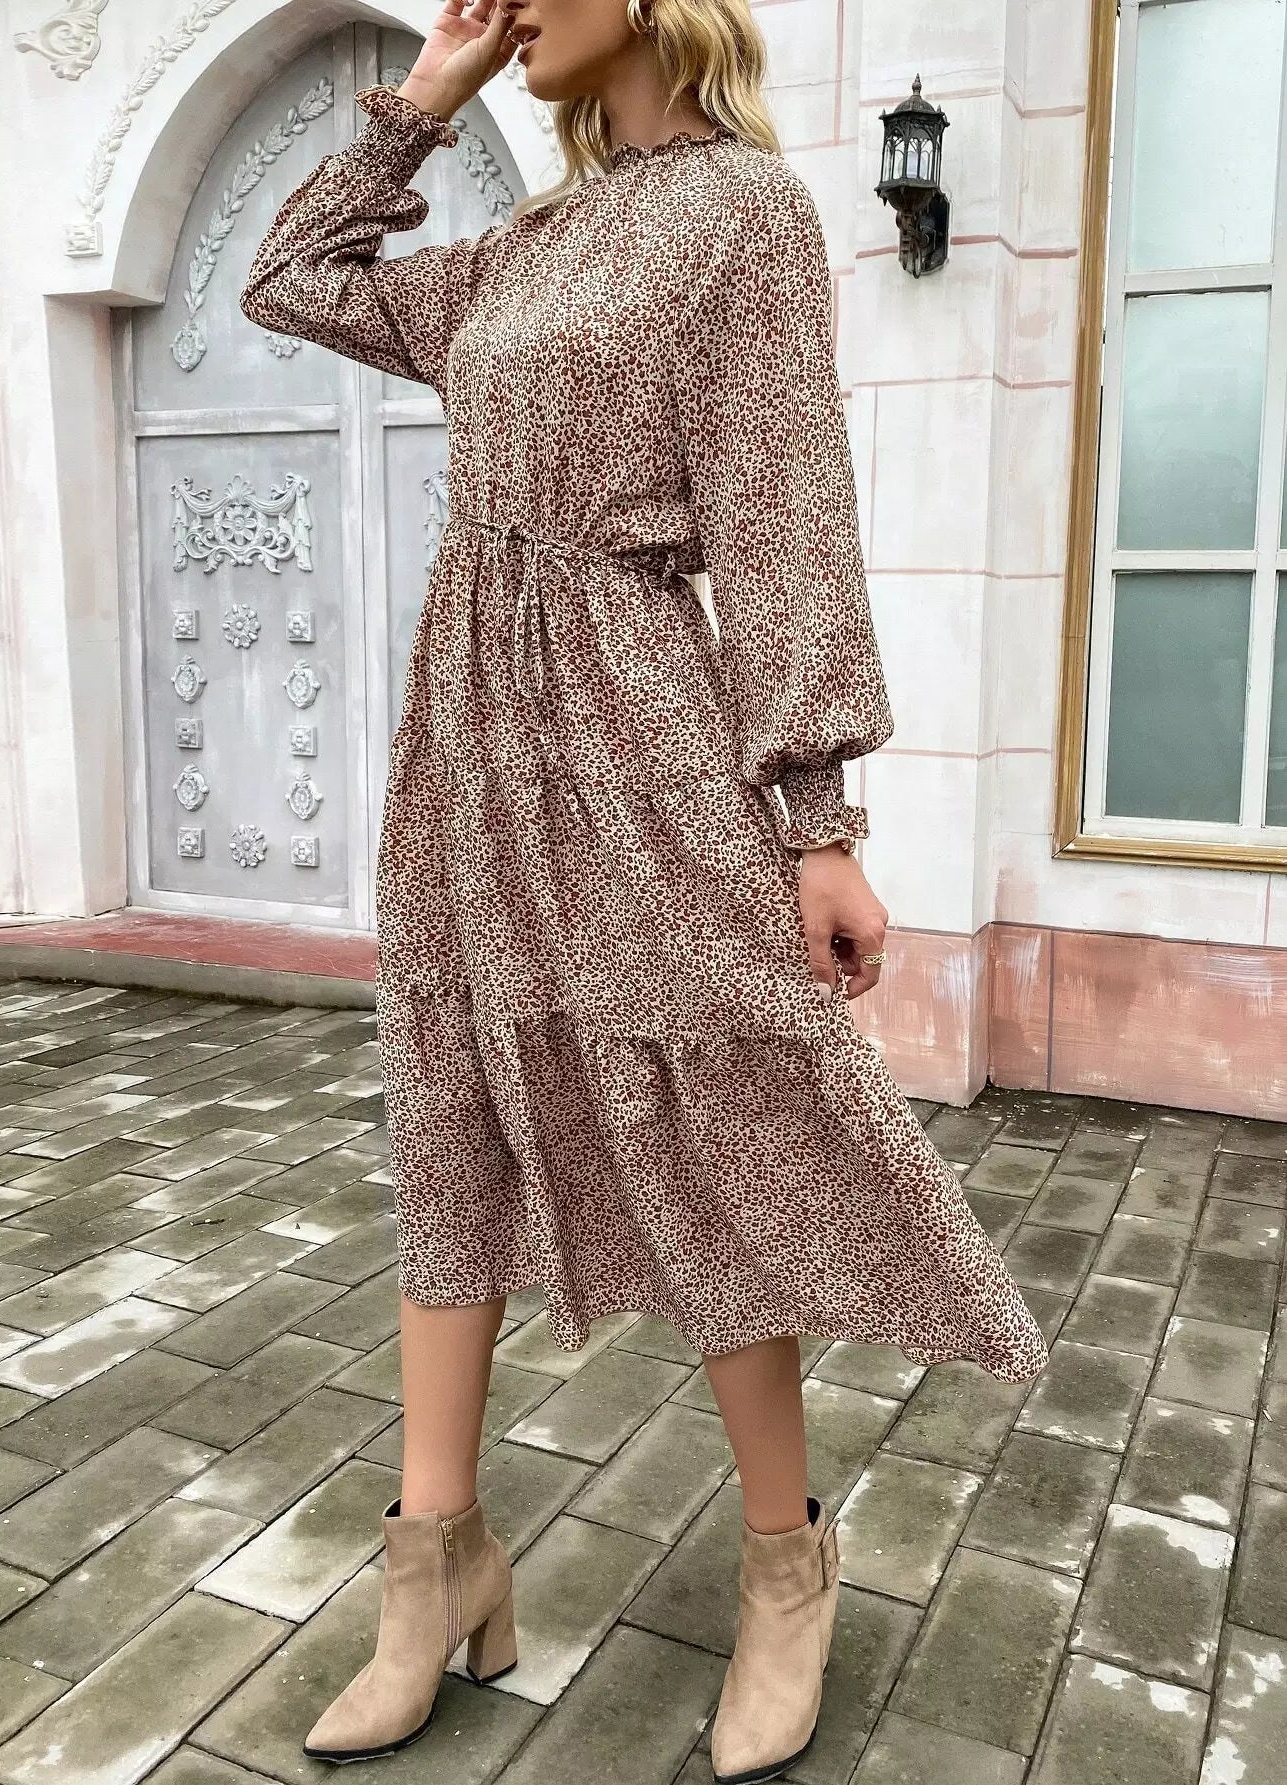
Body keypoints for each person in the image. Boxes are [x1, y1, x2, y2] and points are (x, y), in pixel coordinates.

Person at [239, 1, 1049, 1778]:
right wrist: (422, 102)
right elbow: (286, 282)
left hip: (636, 720)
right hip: (467, 732)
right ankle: (434, 1560)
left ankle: (786, 1562)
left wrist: (818, 819)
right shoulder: (525, 245)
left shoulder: (744, 212)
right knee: (449, 1106)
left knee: (712, 1117)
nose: (503, 6)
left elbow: (783, 514)